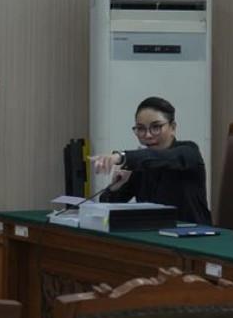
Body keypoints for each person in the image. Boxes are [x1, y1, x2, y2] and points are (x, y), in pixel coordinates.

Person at [90, 96, 212, 225]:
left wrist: (121, 157)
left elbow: (162, 158)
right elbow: (107, 207)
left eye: (156, 127)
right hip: (152, 233)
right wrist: (115, 187)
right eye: (141, 128)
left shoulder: (189, 151)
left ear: (172, 127)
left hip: (193, 233)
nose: (148, 135)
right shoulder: (140, 163)